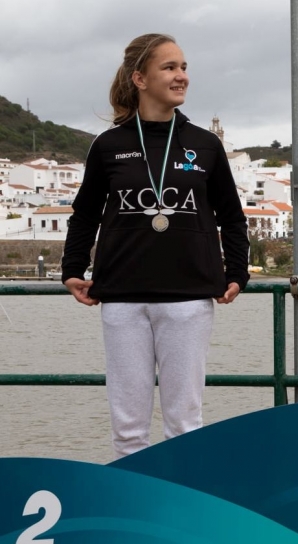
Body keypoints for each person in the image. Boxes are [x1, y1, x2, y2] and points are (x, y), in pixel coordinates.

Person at [61, 33, 249, 458]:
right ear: (140, 79)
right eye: (170, 68)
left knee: (184, 424)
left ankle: (178, 515)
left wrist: (237, 272)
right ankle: (131, 514)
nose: (181, 76)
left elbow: (232, 217)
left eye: (183, 68)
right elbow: (85, 214)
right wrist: (72, 268)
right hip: (122, 299)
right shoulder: (109, 145)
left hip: (188, 299)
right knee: (128, 428)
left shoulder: (205, 144)